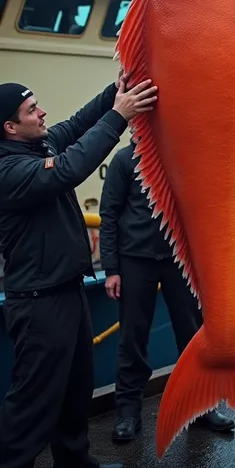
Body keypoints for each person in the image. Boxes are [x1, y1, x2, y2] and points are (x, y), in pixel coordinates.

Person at [0, 74, 157, 468]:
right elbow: (69, 169)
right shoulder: (8, 169)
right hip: (38, 303)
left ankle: (75, 461)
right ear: (9, 127)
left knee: (76, 388)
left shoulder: (37, 144)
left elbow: (76, 124)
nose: (42, 112)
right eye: (32, 110)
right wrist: (119, 116)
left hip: (66, 290)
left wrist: (117, 89)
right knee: (34, 401)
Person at [99, 143, 235, 443]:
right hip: (135, 260)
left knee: (193, 336)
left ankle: (202, 408)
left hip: (180, 259)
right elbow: (108, 214)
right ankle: (128, 413)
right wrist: (111, 269)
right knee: (133, 338)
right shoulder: (124, 160)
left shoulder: (184, 154)